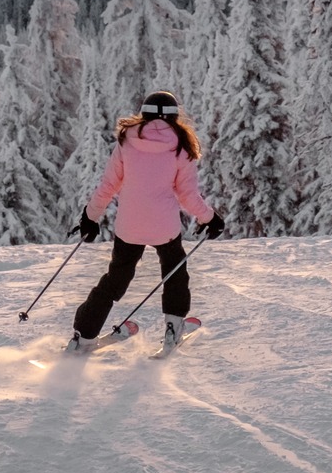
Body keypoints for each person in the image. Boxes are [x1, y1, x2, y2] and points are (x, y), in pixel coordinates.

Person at [68, 90, 224, 352]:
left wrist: (90, 217)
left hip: (129, 226)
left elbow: (108, 186)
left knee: (115, 279)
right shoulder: (181, 144)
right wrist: (210, 218)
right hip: (164, 227)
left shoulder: (127, 140)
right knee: (175, 273)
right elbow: (187, 195)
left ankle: (83, 336)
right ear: (175, 117)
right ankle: (173, 328)